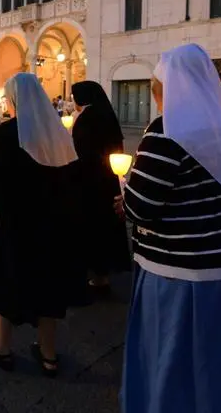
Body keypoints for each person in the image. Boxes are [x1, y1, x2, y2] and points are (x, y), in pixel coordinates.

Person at [120, 44, 221, 413]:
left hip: (194, 275)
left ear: (162, 92)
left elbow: (141, 208)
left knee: (186, 369)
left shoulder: (166, 133)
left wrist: (126, 194)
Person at [0, 73, 82, 377]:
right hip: (53, 223)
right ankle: (49, 354)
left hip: (17, 222)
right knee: (48, 285)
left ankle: (1, 347)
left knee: (8, 279)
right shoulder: (58, 132)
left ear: (14, 100)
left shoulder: (10, 132)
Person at [70, 80, 130, 294]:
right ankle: (103, 273)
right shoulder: (107, 115)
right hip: (108, 178)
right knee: (106, 226)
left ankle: (96, 276)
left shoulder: (87, 119)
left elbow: (80, 151)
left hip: (89, 182)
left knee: (90, 227)